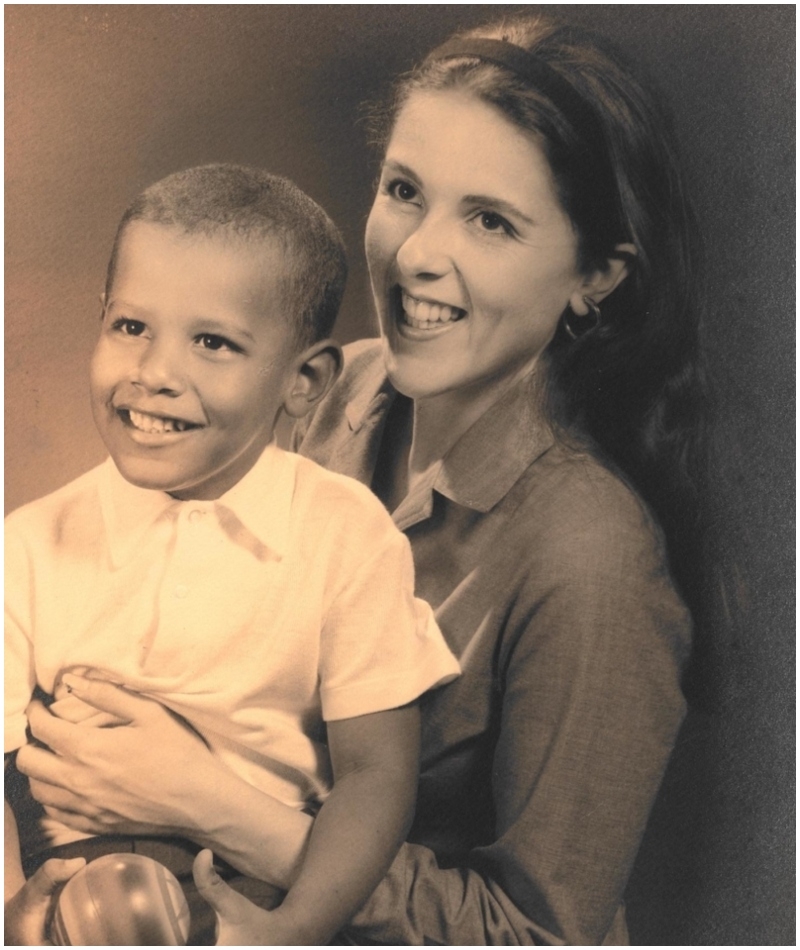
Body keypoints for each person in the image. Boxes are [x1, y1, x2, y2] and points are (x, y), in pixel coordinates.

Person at [14, 14, 713, 945]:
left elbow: (538, 935)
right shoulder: (324, 392)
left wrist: (218, 808)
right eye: (404, 190)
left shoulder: (593, 560)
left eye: (492, 220)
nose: (419, 252)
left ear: (596, 275)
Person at [4, 163, 460, 946]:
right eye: (130, 327)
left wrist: (300, 923)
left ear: (304, 381)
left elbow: (378, 776)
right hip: (65, 886)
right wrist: (12, 906)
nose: (153, 374)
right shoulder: (30, 544)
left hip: (252, 889)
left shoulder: (344, 534)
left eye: (212, 342)